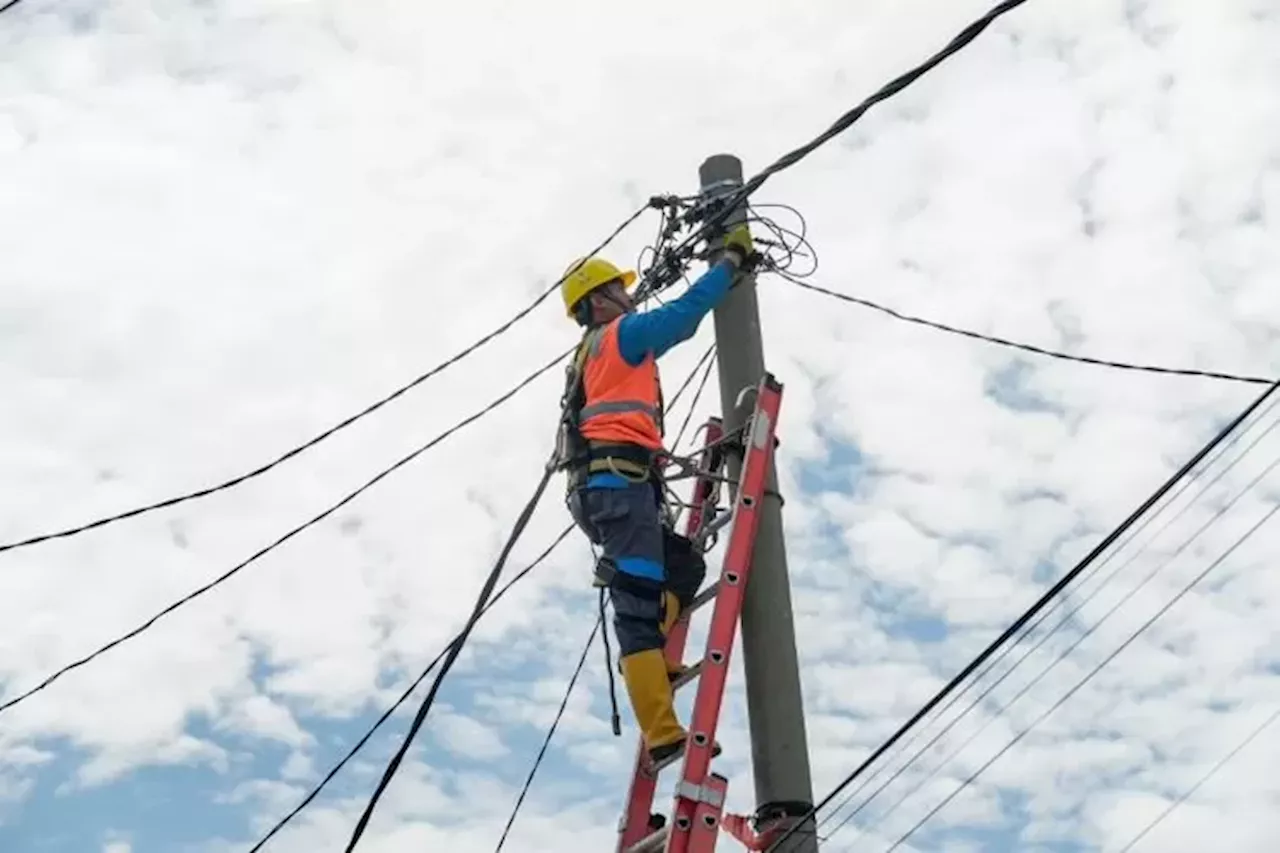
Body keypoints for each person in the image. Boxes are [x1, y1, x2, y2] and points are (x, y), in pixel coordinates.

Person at [558, 223, 755, 765]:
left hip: (618, 484)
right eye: (619, 289)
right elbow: (685, 315)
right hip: (616, 486)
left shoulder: (591, 352)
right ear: (599, 301)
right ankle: (664, 732)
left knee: (683, 566)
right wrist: (729, 263)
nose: (630, 294)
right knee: (637, 607)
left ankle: (654, 662)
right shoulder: (619, 335)